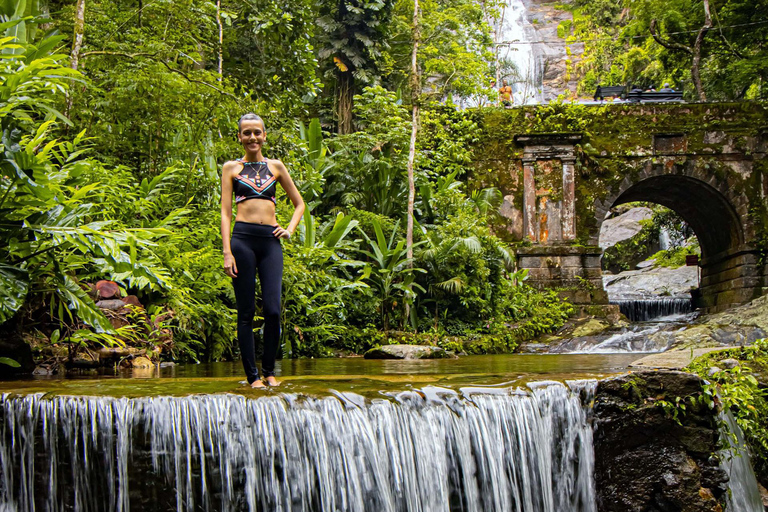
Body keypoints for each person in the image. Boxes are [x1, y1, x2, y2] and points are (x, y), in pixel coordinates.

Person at [220, 113, 305, 388]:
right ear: (240, 137)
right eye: (247, 133)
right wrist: (226, 252)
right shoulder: (231, 168)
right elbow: (225, 212)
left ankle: (269, 371)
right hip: (242, 240)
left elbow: (299, 204)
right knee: (245, 312)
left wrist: (289, 229)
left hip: (270, 242)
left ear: (265, 136)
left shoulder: (276, 166)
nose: (252, 137)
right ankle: (253, 376)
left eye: (257, 132)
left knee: (272, 310)